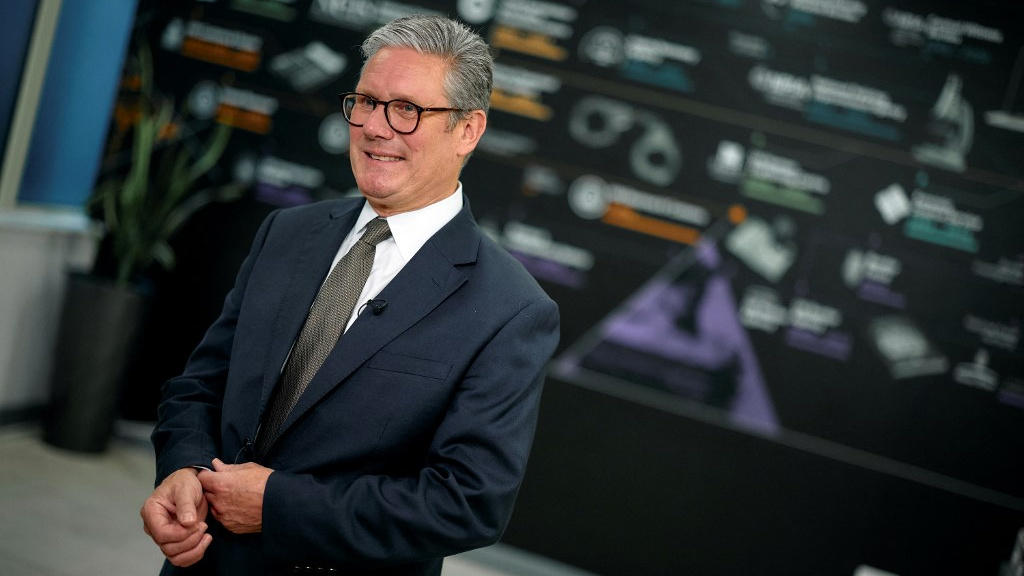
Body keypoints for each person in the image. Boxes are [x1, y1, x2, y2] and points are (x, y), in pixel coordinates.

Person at [140, 14, 560, 576]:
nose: (376, 127)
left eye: (408, 109)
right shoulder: (285, 233)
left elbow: (468, 504)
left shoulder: (511, 310)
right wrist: (181, 469)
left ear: (468, 130)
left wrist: (279, 507)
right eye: (365, 101)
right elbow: (200, 385)